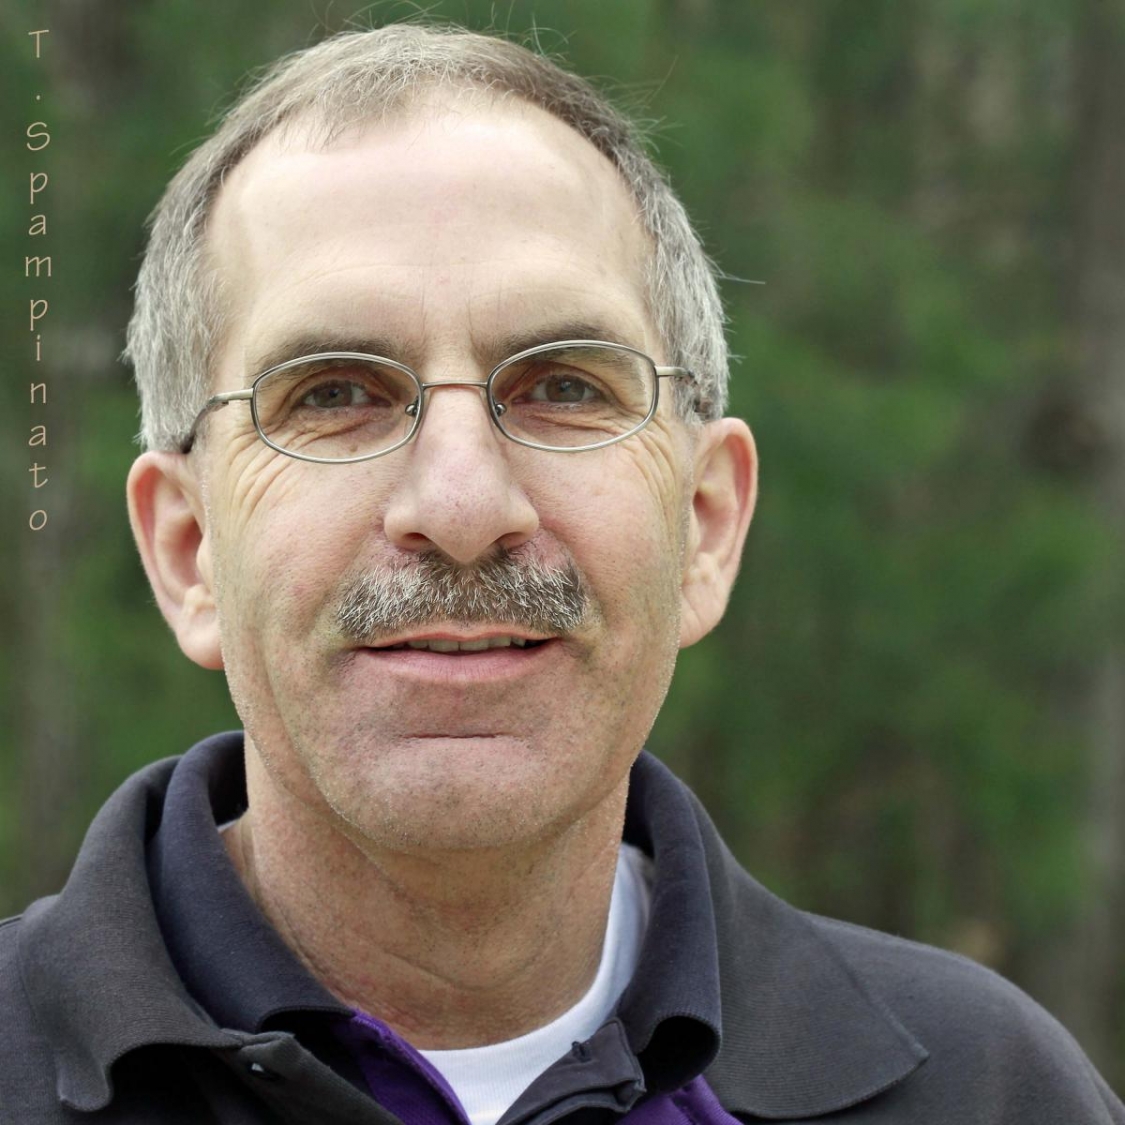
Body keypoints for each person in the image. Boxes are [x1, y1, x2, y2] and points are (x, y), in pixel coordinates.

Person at [2, 22, 1121, 1125]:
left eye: (565, 387)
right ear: (189, 550)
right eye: (335, 394)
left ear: (704, 522)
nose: (461, 509)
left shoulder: (991, 1093)